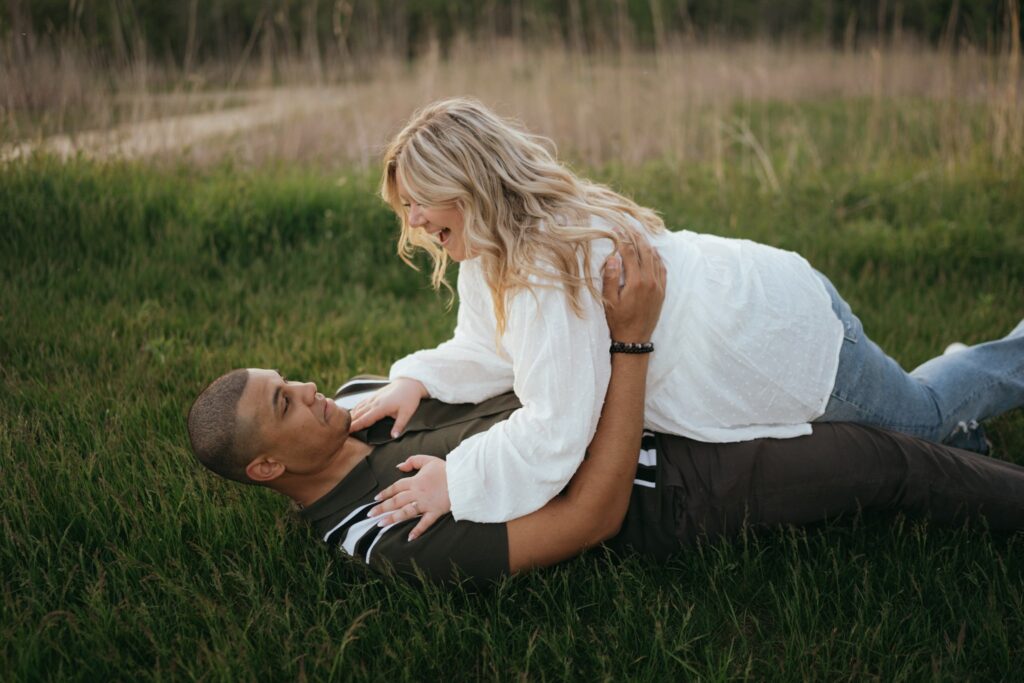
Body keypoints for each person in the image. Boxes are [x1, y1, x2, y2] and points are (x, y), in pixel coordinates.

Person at [348, 96, 1024, 534]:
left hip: (782, 333)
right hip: (753, 309)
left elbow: (556, 429)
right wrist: (420, 379)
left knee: (922, 417)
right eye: (403, 206)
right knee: (921, 417)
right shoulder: (495, 252)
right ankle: (966, 437)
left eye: (419, 201)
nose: (411, 221)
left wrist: (458, 478)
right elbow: (490, 348)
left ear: (467, 186)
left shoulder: (542, 267)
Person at [187, 240, 1024, 585]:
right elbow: (592, 515)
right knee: (884, 460)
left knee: (901, 412)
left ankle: (961, 421)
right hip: (674, 483)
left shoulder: (367, 405)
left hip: (661, 398)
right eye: (285, 401)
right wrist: (630, 347)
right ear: (267, 466)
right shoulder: (389, 534)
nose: (310, 387)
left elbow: (508, 364)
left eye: (289, 378)